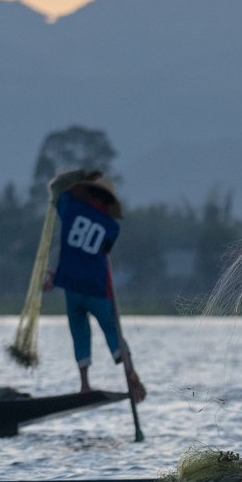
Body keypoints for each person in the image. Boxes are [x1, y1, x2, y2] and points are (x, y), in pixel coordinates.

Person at [44, 170, 145, 401]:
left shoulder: (70, 207)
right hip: (98, 289)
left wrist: (79, 175)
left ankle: (84, 385)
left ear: (87, 194)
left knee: (79, 333)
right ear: (108, 202)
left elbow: (55, 187)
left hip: (71, 287)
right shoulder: (112, 227)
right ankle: (131, 374)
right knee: (114, 334)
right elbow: (103, 250)